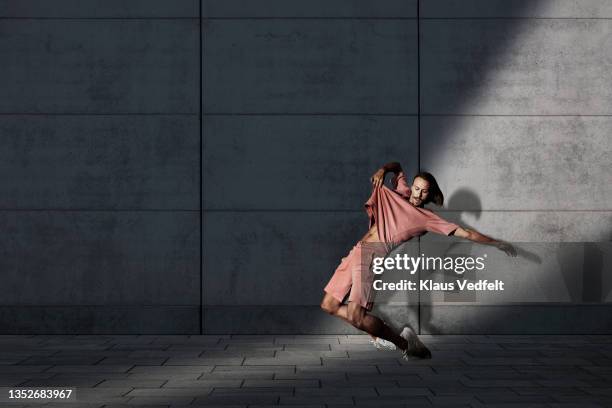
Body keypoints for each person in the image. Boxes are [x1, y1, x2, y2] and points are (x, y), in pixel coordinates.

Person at [320, 161, 517, 359]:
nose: (417, 194)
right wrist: (383, 170)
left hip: (370, 256)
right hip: (356, 252)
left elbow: (466, 233)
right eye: (416, 188)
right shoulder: (403, 192)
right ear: (412, 186)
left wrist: (496, 243)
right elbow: (396, 167)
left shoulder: (426, 217)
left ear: (429, 195)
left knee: (356, 317)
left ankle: (403, 342)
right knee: (328, 305)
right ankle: (385, 335)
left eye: (423, 192)